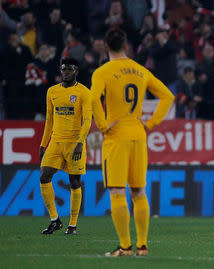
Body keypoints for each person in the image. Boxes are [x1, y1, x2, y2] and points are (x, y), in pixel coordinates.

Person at [91, 28, 174, 257]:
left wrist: (102, 124)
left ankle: (125, 247)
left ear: (106, 47)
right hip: (138, 133)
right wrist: (151, 123)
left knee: (117, 191)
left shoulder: (102, 72)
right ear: (126, 46)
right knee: (139, 191)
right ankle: (143, 246)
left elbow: (93, 99)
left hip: (116, 135)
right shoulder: (140, 70)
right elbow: (168, 95)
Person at [39, 58, 92, 235]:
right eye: (63, 69)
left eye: (69, 69)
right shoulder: (52, 91)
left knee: (74, 182)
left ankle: (73, 225)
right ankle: (55, 220)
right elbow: (49, 120)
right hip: (55, 142)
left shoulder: (84, 92)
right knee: (44, 176)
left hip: (74, 143)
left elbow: (87, 121)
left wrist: (80, 142)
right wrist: (43, 144)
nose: (66, 72)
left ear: (76, 70)